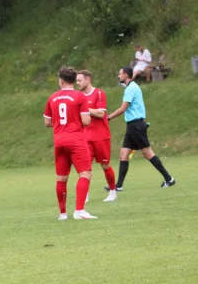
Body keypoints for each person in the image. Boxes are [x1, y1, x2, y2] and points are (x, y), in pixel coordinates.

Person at [107, 67, 176, 190]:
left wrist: (108, 118)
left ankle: (169, 179)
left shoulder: (131, 89)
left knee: (147, 153)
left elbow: (123, 108)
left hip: (136, 126)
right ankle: (118, 186)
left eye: (120, 74)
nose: (118, 76)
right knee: (124, 154)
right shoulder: (131, 87)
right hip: (132, 126)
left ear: (126, 75)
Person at [43, 67, 97, 220]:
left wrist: (61, 124)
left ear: (61, 81)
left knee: (61, 178)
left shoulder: (52, 98)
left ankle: (62, 214)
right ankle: (79, 210)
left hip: (59, 141)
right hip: (76, 140)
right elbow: (86, 120)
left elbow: (47, 122)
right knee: (85, 173)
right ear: (74, 80)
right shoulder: (80, 97)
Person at [76, 70, 118, 202]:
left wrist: (85, 109)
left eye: (79, 80)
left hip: (101, 137)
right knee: (84, 168)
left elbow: (101, 114)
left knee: (105, 165)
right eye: (76, 81)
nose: (77, 83)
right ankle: (85, 195)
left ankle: (112, 192)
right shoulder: (79, 96)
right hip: (85, 138)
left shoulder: (99, 93)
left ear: (88, 80)